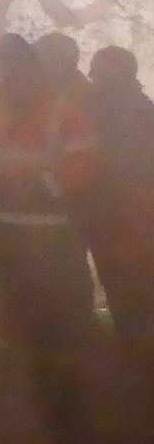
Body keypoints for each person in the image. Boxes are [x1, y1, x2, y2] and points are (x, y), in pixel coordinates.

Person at [0, 34, 101, 371]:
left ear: (33, 68)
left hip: (51, 236)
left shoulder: (62, 111)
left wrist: (35, 185)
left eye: (19, 67)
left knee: (60, 323)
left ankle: (60, 383)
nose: (13, 75)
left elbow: (84, 167)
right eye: (7, 67)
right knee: (7, 320)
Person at [85, 46, 154, 354]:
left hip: (134, 218)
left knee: (136, 287)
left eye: (99, 73)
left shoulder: (140, 115)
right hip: (108, 217)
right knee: (119, 286)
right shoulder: (96, 110)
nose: (92, 77)